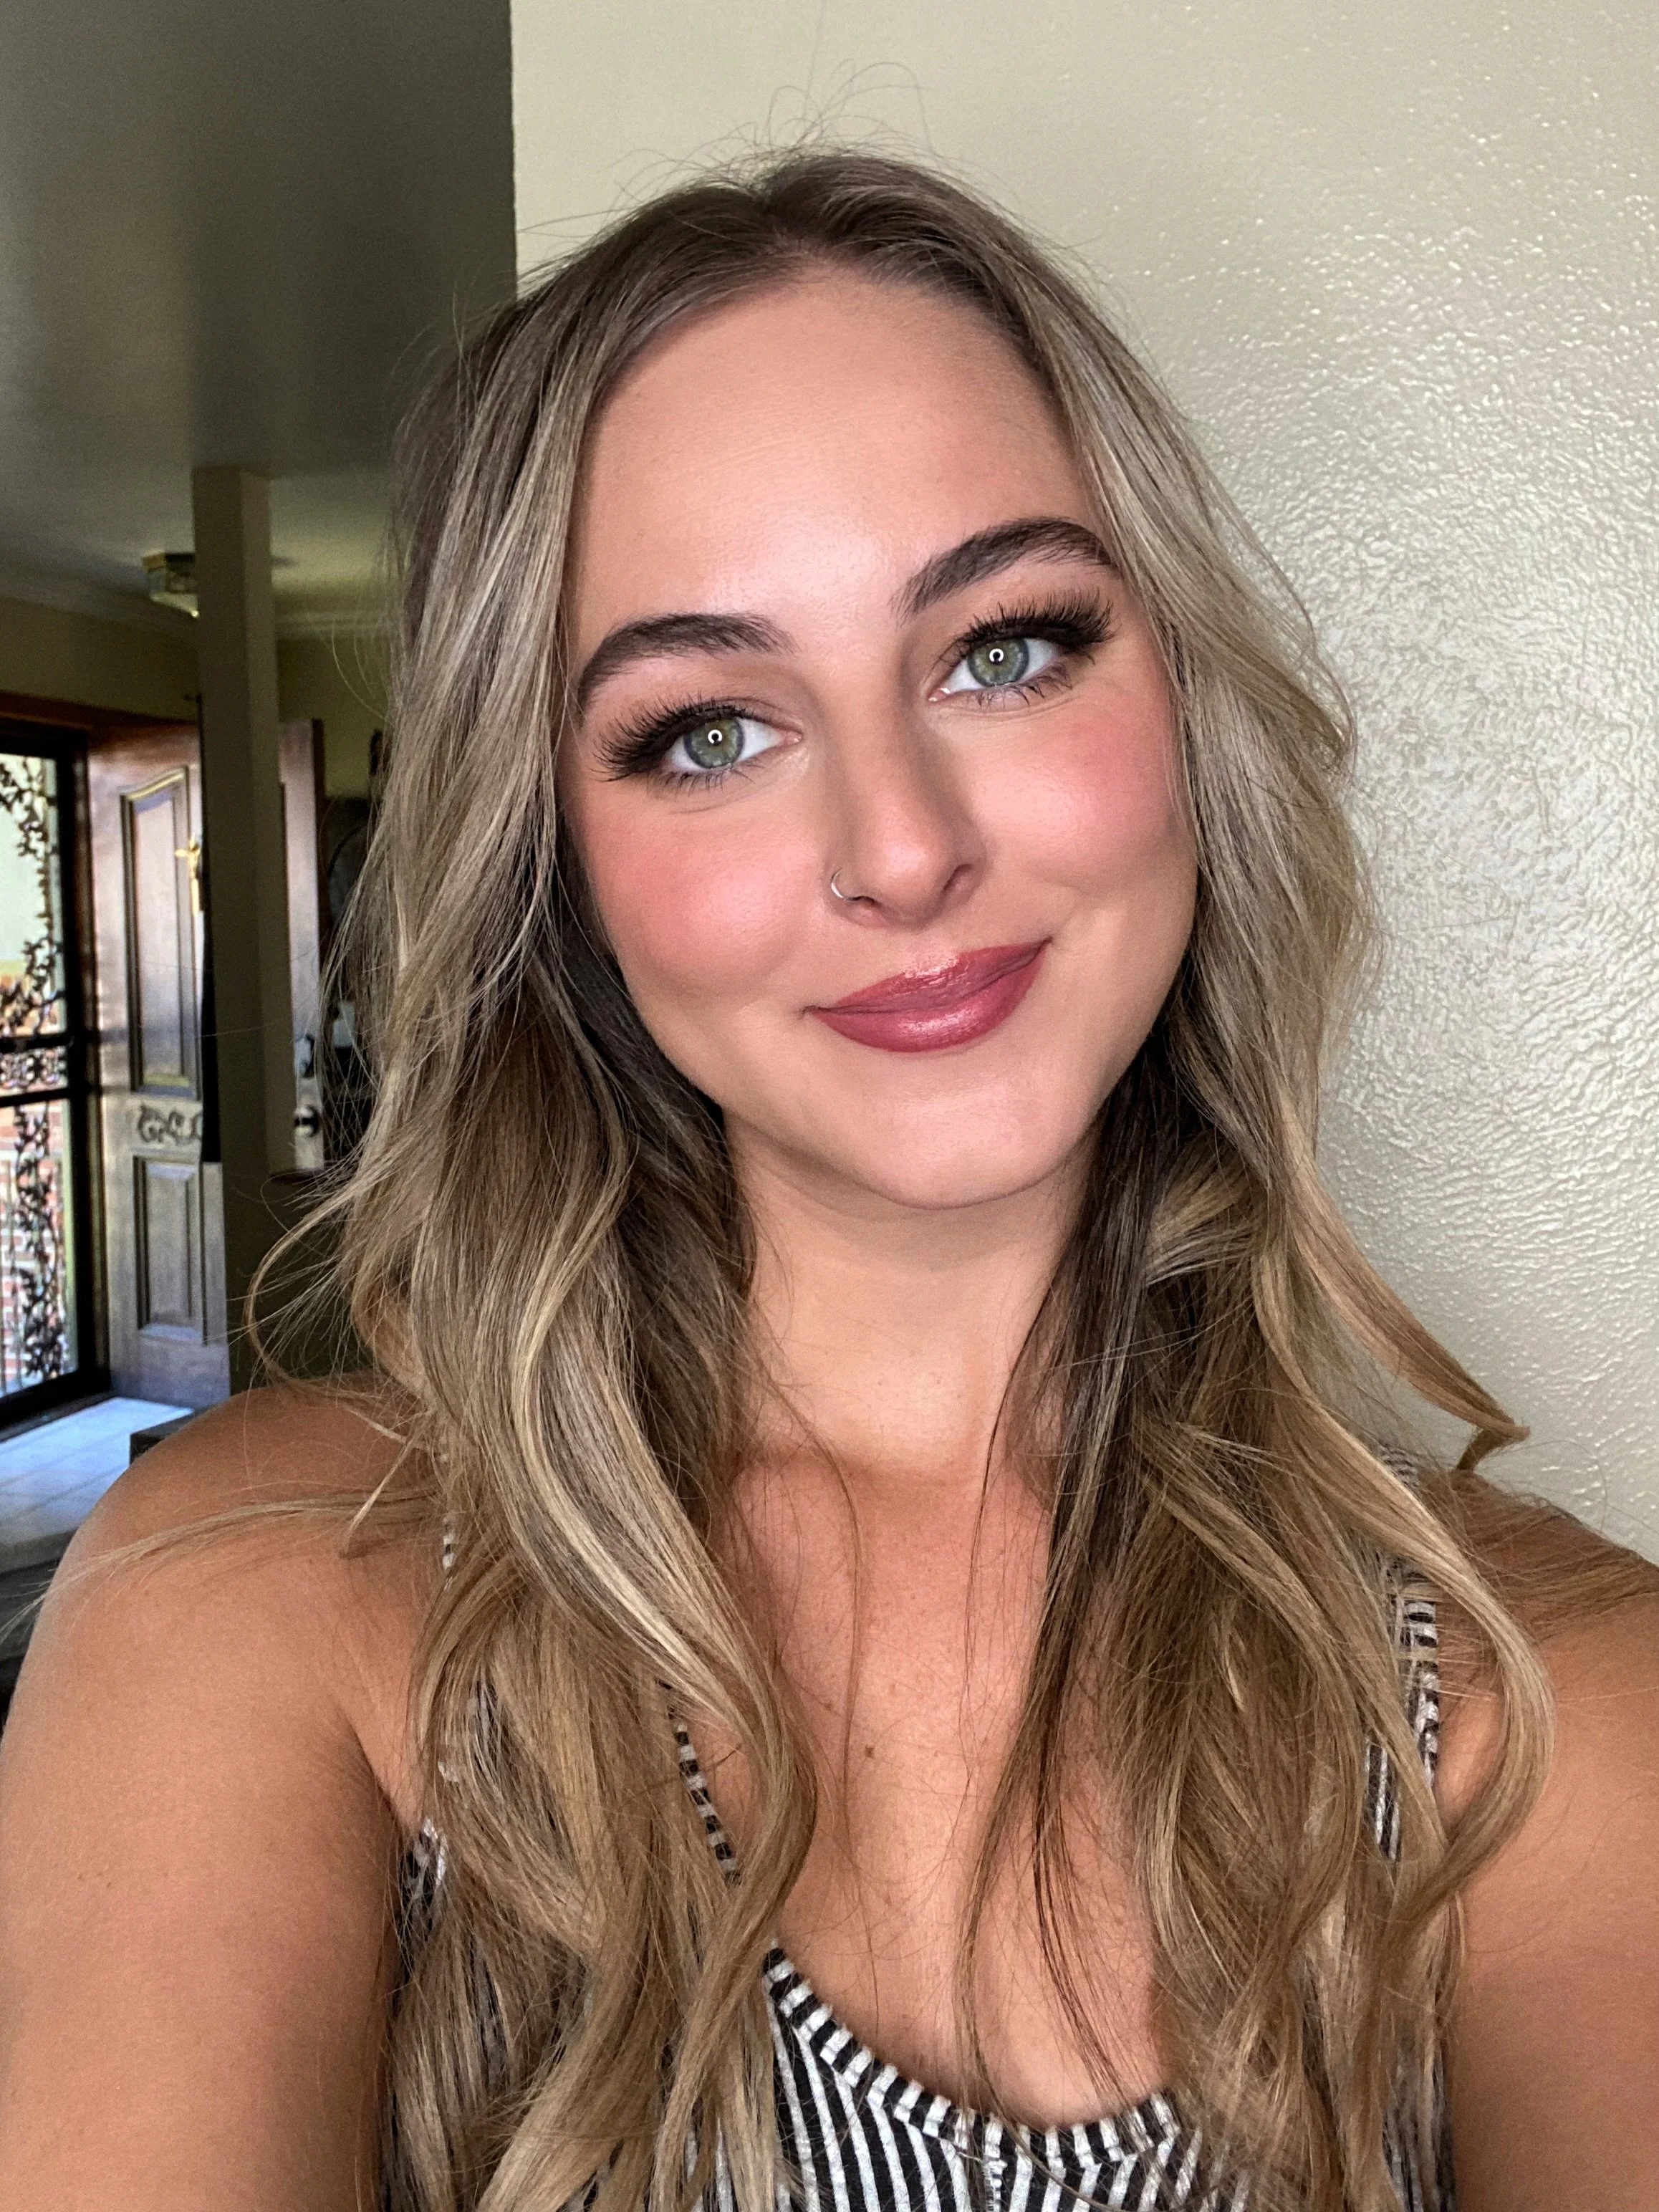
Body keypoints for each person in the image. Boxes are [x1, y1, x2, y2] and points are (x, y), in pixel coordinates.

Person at [0, 150, 1655, 2212]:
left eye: (1007, 646)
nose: (898, 844)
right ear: (562, 880)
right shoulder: (254, 1605)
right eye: (705, 730)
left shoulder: (1542, 1695)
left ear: (1185, 719)